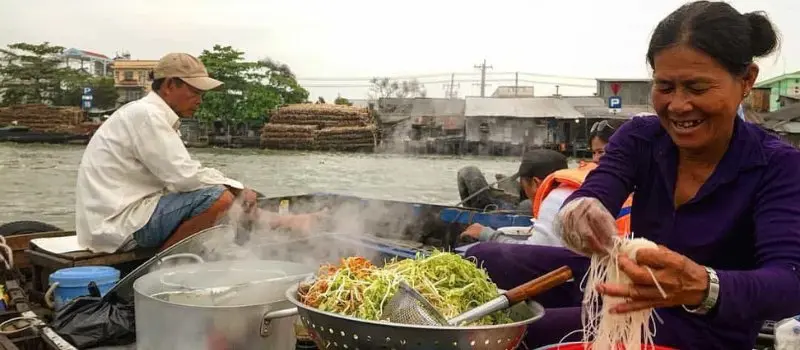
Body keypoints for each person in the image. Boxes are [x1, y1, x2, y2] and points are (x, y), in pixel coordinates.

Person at [471, 2, 800, 348]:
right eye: (665, 86)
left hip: (702, 327)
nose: (678, 105)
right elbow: (599, 189)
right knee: (484, 257)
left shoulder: (778, 166)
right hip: (625, 281)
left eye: (698, 88)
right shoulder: (642, 137)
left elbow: (790, 282)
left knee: (521, 332)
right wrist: (582, 212)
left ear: (747, 80)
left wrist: (704, 284)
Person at [75, 52, 319, 254]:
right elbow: (184, 178)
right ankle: (160, 268)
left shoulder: (147, 115)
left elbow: (181, 175)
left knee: (226, 195)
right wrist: (237, 188)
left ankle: (287, 222)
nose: (200, 100)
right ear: (171, 85)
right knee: (218, 199)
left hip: (119, 218)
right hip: (118, 223)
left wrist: (236, 189)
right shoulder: (147, 115)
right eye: (195, 92)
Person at [459, 149, 568, 245]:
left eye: (523, 181)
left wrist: (486, 234)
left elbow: (530, 252)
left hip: (511, 211)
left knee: (469, 172)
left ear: (535, 183)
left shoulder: (550, 209)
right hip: (511, 207)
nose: (522, 186)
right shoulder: (572, 196)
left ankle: (489, 207)